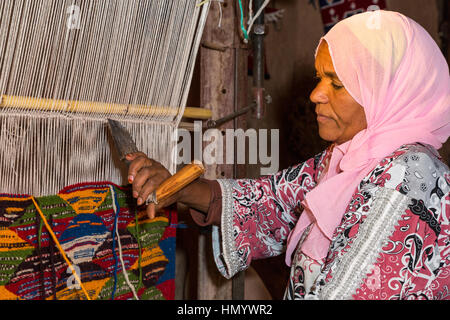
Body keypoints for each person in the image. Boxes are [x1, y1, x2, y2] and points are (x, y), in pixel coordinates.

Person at [126, 10, 450, 300]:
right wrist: (180, 188)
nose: (315, 95)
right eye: (319, 77)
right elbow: (273, 203)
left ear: (386, 90)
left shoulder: (408, 179)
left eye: (336, 84)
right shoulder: (349, 157)